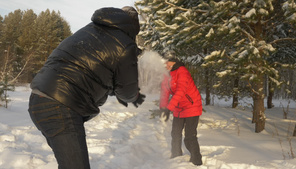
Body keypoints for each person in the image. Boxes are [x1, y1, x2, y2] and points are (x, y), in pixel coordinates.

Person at [28, 6, 145, 169]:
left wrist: (115, 90)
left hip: (38, 99)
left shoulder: (90, 30)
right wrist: (134, 96)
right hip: (61, 106)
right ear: (133, 28)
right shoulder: (124, 45)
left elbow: (92, 73)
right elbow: (126, 91)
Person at [159, 54, 203, 166]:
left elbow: (180, 91)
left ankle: (196, 160)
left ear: (173, 61)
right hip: (179, 108)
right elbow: (165, 92)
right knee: (175, 133)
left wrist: (169, 107)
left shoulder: (182, 71)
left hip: (192, 106)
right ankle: (176, 156)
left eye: (167, 62)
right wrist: (163, 108)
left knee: (189, 136)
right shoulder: (166, 74)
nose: (165, 65)